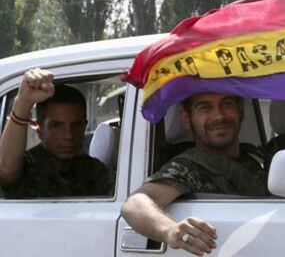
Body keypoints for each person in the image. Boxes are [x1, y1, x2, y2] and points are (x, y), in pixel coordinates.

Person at [121, 92, 266, 256]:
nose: (219, 115)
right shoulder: (188, 167)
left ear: (241, 111)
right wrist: (171, 229)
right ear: (186, 119)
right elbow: (134, 204)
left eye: (228, 104)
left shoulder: (255, 159)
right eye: (205, 108)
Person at [0, 68, 115, 198]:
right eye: (56, 126)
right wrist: (22, 104)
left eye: (76, 125)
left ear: (85, 127)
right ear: (39, 130)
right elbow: (7, 170)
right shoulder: (28, 166)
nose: (68, 135)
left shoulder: (92, 169)